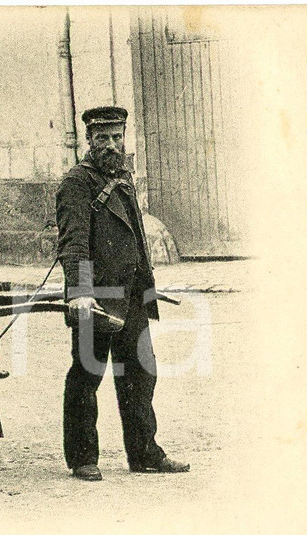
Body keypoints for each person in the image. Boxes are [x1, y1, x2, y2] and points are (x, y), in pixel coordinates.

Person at [55, 106, 190, 482]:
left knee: (141, 373)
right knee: (87, 374)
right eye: (103, 139)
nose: (112, 145)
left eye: (117, 137)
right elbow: (74, 243)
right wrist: (80, 291)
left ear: (124, 137)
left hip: (132, 294)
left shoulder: (123, 177)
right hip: (96, 298)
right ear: (89, 141)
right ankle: (83, 457)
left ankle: (144, 452)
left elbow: (136, 238)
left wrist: (148, 288)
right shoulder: (76, 183)